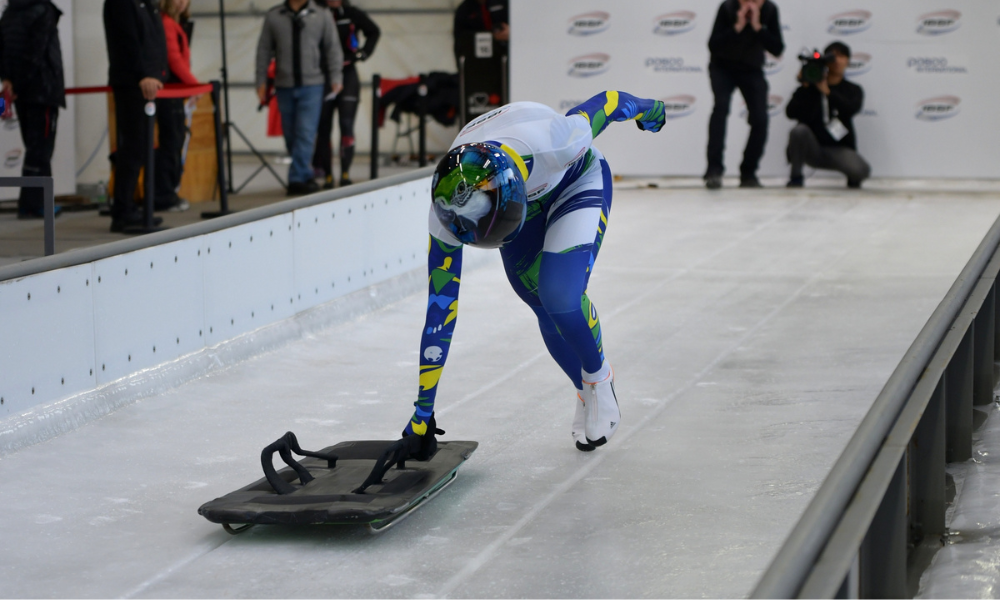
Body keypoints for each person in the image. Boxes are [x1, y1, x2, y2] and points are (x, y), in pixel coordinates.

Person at [401, 92, 667, 454]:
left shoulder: (556, 140)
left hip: (575, 180)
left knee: (559, 294)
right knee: (537, 298)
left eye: (498, 229)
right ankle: (583, 389)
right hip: (519, 205)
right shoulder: (445, 215)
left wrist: (650, 109)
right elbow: (440, 311)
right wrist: (422, 414)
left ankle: (599, 378)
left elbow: (611, 101)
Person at [256, 0, 343, 196]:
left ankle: (296, 179)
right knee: (291, 135)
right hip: (284, 85)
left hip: (313, 85)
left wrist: (336, 76)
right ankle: (305, 174)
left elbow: (333, 48)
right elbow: (263, 50)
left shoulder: (321, 15)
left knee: (305, 131)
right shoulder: (274, 16)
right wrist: (260, 80)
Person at [704, 0, 784, 189]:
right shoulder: (727, 8)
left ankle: (748, 172)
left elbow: (777, 48)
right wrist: (737, 26)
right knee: (721, 108)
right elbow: (713, 45)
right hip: (722, 68)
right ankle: (714, 170)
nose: (751, 3)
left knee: (760, 118)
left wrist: (758, 27)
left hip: (751, 69)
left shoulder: (770, 10)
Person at [104, 0, 167, 232]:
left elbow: (154, 39)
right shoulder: (122, 4)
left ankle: (130, 207)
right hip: (133, 83)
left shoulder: (146, 4)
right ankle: (122, 210)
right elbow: (126, 42)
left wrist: (158, 71)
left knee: (140, 146)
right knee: (133, 146)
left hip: (147, 80)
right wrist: (143, 74)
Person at [0, 0, 65, 220]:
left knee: (34, 149)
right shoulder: (42, 11)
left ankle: (35, 203)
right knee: (40, 151)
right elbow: (36, 52)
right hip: (42, 91)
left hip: (22, 92)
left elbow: (4, 51)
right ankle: (34, 204)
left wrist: (10, 81)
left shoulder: (10, 13)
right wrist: (17, 82)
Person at [311, 0, 379, 189]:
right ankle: (328, 176)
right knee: (323, 128)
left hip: (347, 74)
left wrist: (363, 54)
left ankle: (345, 173)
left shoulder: (351, 12)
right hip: (322, 77)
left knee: (346, 125)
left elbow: (374, 31)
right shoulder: (315, 13)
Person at [784, 41, 870, 189]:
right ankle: (796, 177)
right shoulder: (809, 89)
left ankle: (852, 177)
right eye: (833, 56)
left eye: (842, 56)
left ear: (848, 61)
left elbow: (851, 109)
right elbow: (790, 112)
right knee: (798, 131)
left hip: (839, 148)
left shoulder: (852, 89)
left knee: (861, 171)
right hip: (813, 148)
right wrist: (805, 88)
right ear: (826, 62)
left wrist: (828, 92)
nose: (837, 60)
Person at [155, 0, 197, 212]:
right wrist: (195, 86)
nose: (181, 3)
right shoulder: (167, 23)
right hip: (170, 92)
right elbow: (174, 60)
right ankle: (164, 193)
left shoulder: (175, 22)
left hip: (175, 91)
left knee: (175, 140)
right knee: (171, 141)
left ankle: (168, 190)